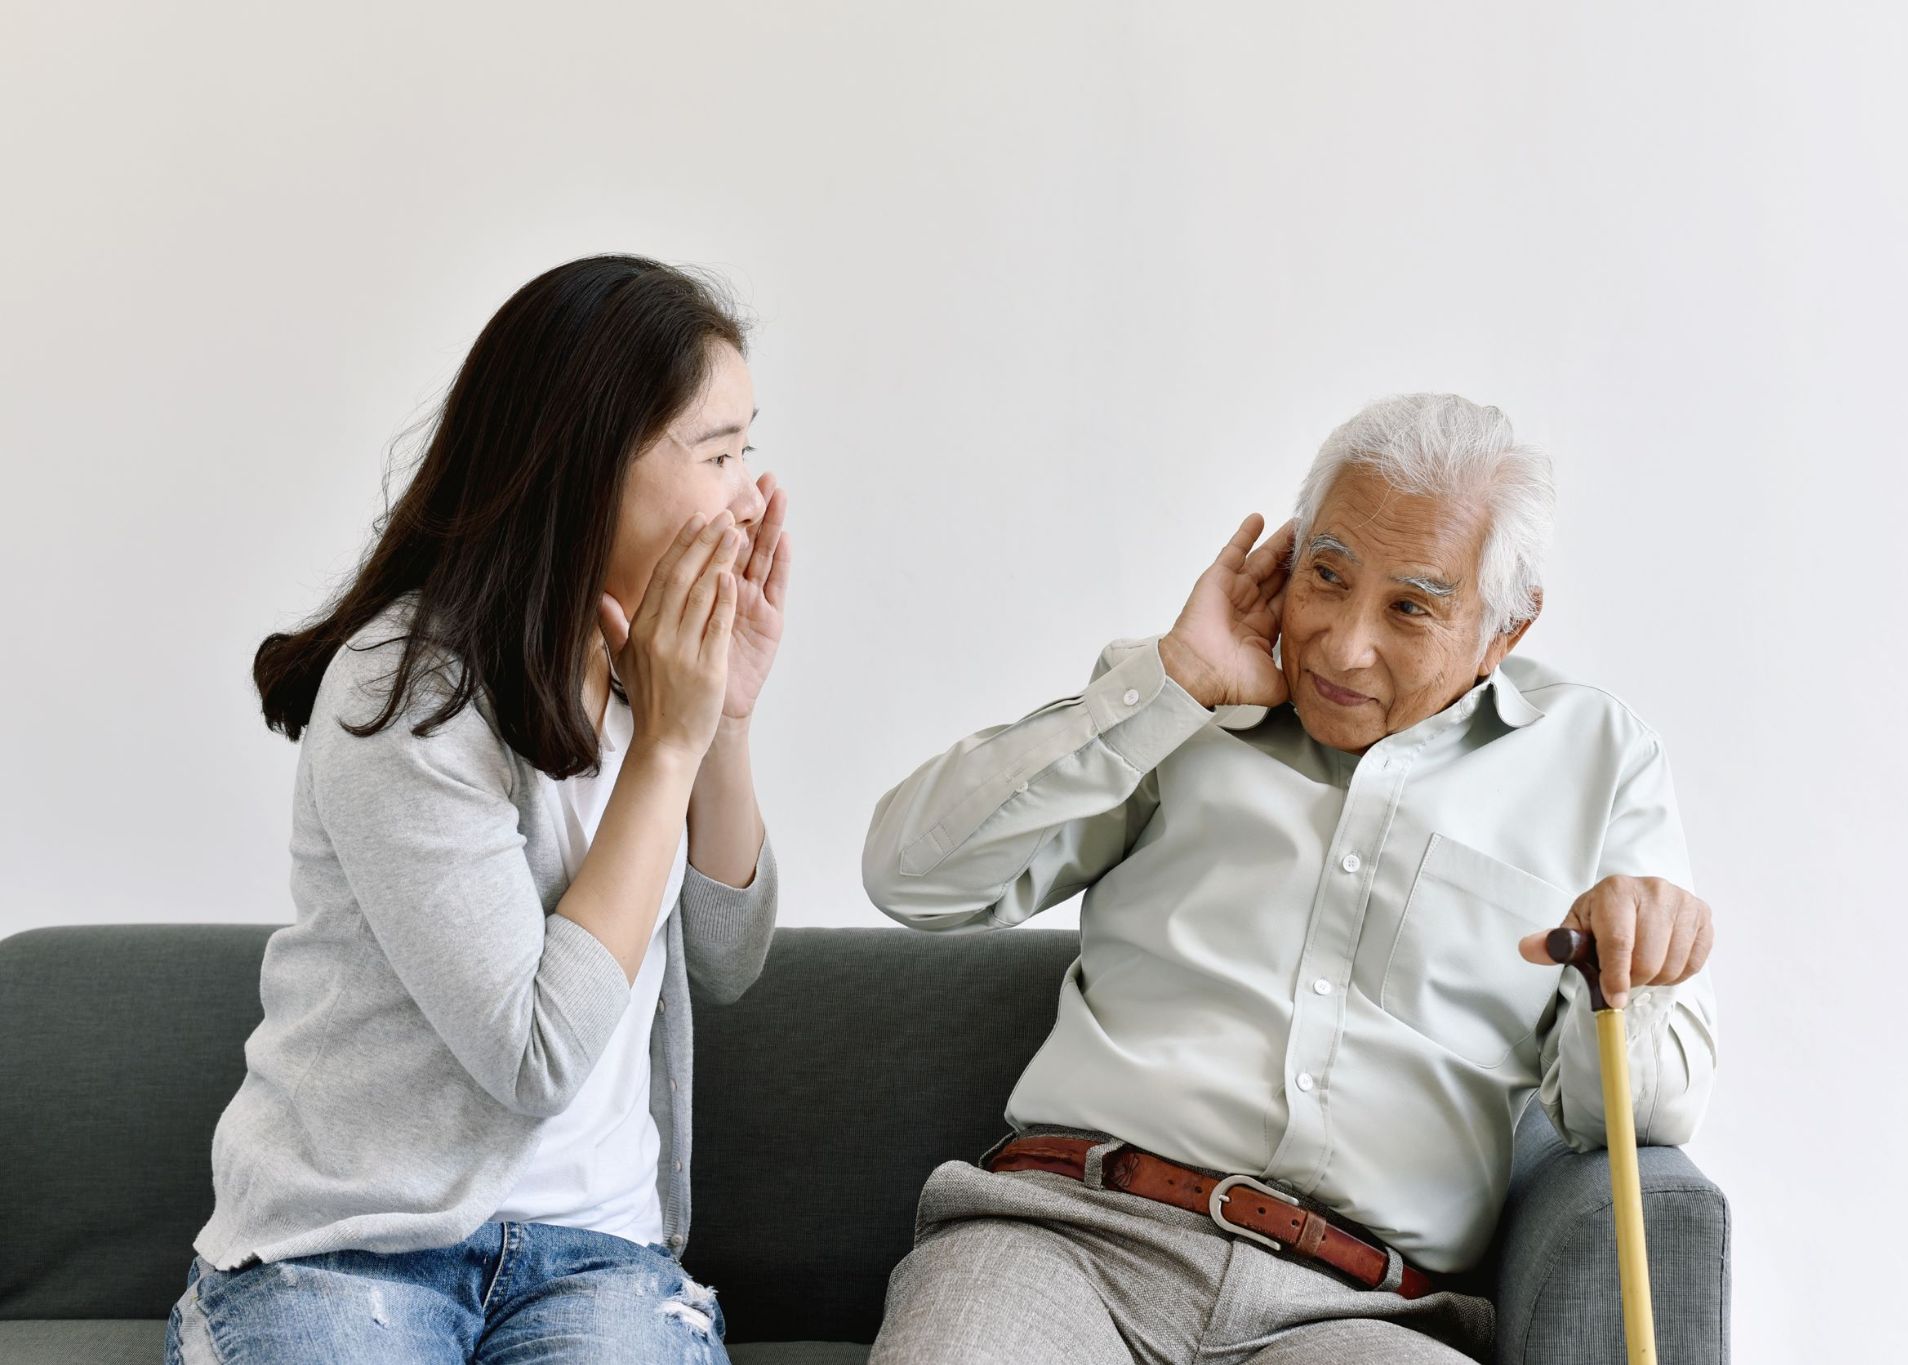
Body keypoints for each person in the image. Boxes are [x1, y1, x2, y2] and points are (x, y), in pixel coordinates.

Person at [861, 393, 1717, 1364]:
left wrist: (1629, 970)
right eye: (1325, 575)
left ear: (1503, 630)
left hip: (1360, 1315)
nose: (1341, 646)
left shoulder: (1595, 762)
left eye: (1409, 608)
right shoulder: (1180, 702)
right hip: (1067, 1246)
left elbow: (1644, 1113)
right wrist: (1172, 682)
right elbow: (912, 877)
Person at [164, 254, 791, 1365]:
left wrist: (724, 721)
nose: (752, 491)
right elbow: (536, 1056)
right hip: (348, 1245)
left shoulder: (656, 678)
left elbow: (730, 956)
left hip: (598, 1255)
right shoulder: (402, 688)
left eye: (750, 448)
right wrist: (668, 751)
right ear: (592, 463)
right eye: (719, 453)